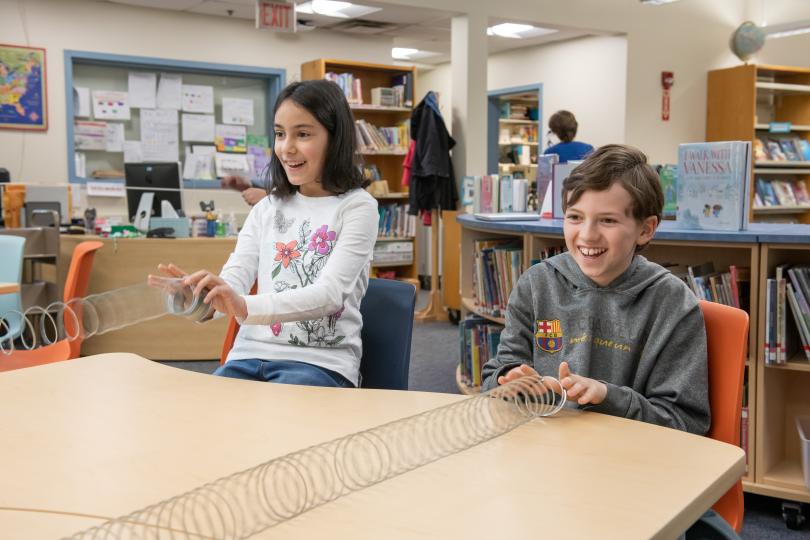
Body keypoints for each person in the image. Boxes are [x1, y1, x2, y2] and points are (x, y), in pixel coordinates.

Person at [482, 144, 739, 539]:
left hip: (635, 480)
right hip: (542, 471)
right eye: (575, 217)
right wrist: (510, 383)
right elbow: (493, 380)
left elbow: (685, 425)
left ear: (646, 229)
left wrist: (607, 396)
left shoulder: (670, 302)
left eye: (607, 220)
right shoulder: (537, 284)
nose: (587, 235)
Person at [151, 79, 378, 388]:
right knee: (200, 420)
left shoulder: (358, 207)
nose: (287, 148)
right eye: (280, 134)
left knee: (275, 426)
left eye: (303, 134)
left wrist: (244, 305)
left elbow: (330, 295)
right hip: (248, 356)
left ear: (335, 138)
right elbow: (235, 278)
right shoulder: (267, 207)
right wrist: (200, 297)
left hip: (320, 364)